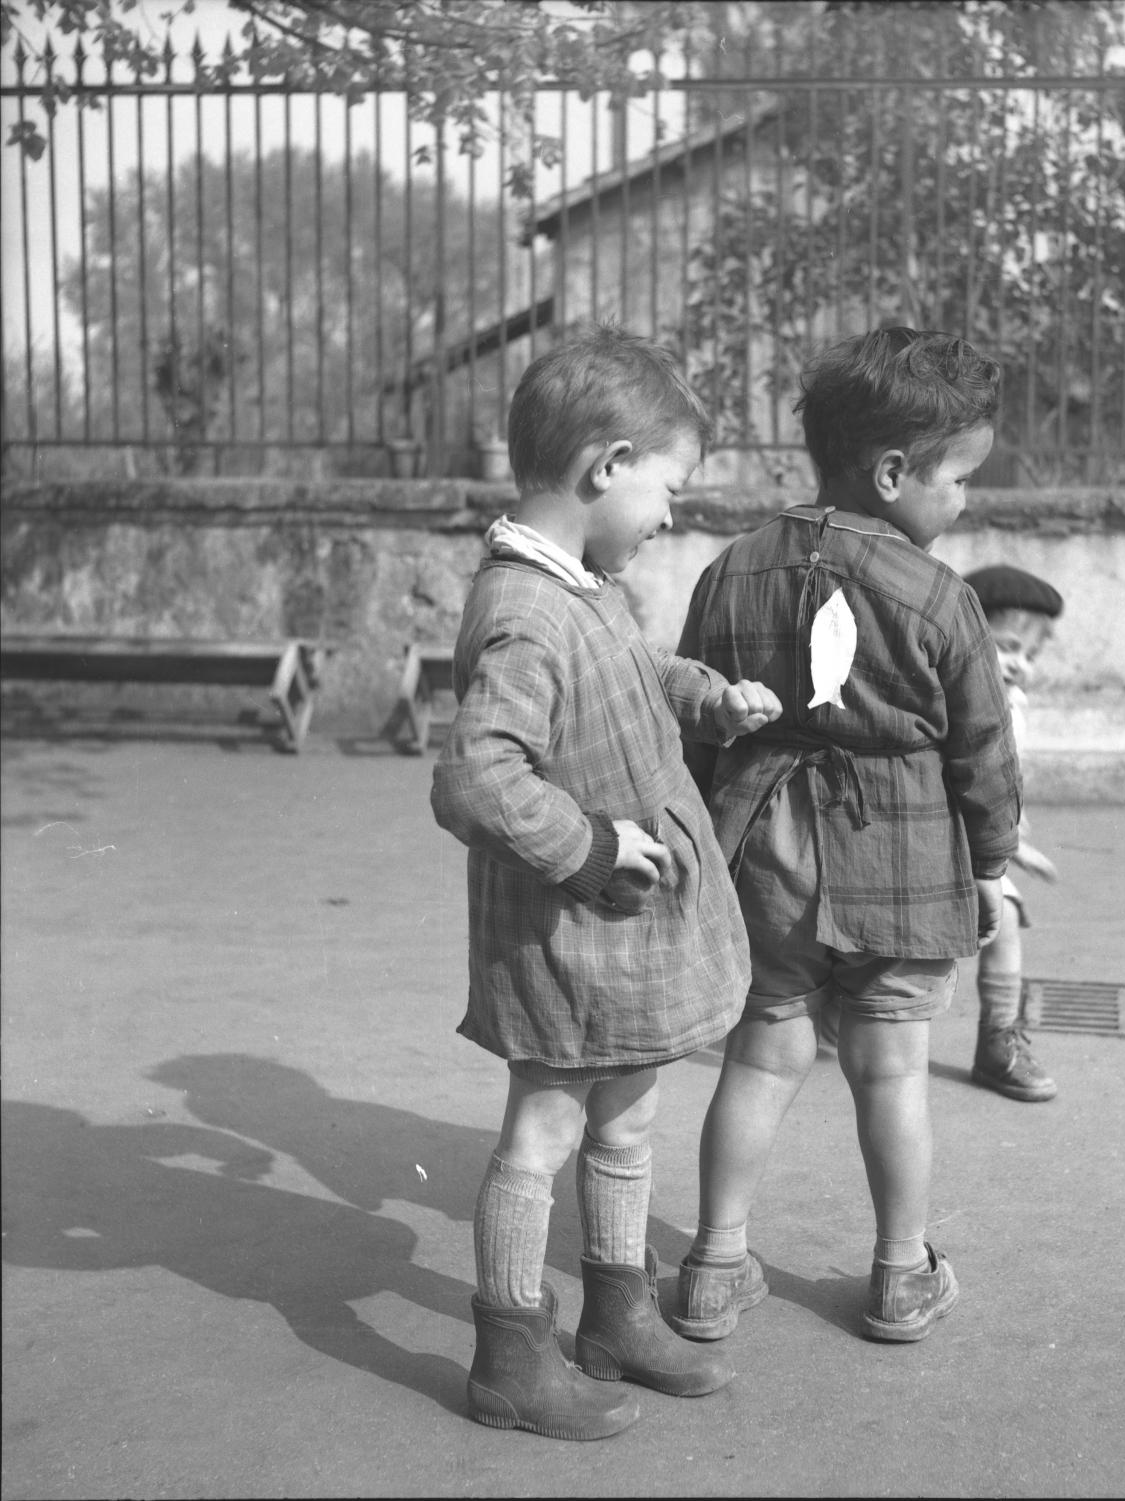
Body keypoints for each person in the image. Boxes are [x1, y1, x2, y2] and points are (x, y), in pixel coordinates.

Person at [430, 327, 782, 1441]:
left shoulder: (581, 588)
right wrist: (588, 845)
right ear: (605, 467)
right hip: (567, 931)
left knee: (628, 1115)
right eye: (668, 487)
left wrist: (703, 694)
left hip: (618, 940)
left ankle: (617, 1311)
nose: (671, 513)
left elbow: (626, 675)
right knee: (544, 1129)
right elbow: (477, 777)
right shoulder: (526, 611)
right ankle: (508, 1352)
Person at [669, 327, 1021, 1346]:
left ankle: (712, 1266)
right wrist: (992, 860)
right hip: (899, 856)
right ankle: (901, 1276)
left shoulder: (730, 570)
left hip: (761, 846)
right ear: (895, 471)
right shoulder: (938, 594)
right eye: (959, 479)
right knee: (891, 1069)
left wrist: (703, 838)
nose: (964, 500)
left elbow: (694, 715)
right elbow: (984, 751)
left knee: (763, 1053)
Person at [962, 564, 1063, 1102]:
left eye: (1031, 655)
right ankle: (841, 1008)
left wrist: (1015, 828)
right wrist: (1012, 843)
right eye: (1007, 646)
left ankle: (998, 1038)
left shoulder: (1011, 704)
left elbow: (1005, 776)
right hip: (945, 834)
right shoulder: (950, 696)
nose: (1019, 664)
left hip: (984, 843)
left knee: (1004, 927)